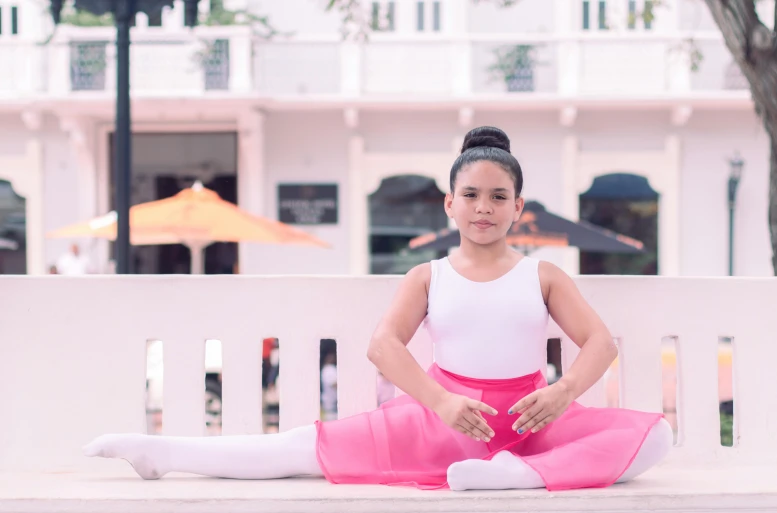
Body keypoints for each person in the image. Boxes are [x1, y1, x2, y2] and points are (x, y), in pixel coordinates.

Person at [83, 126, 673, 491]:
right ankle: (162, 451)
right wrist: (439, 401)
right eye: (471, 195)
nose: (484, 207)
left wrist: (562, 393)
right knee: (296, 449)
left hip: (528, 427)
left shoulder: (542, 275)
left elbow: (600, 342)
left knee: (657, 438)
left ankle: (515, 476)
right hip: (438, 420)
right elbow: (382, 345)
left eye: (498, 197)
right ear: (449, 204)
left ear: (518, 206)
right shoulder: (428, 275)